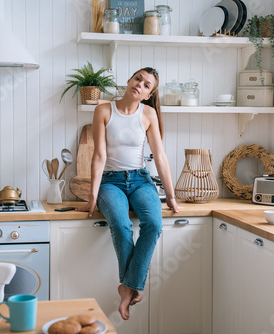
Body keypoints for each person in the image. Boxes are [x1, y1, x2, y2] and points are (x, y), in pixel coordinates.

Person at [77, 67, 180, 320]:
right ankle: (131, 287)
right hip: (110, 182)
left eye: (147, 85)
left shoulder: (148, 113)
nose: (140, 85)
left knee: (154, 224)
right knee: (122, 225)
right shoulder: (103, 110)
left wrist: (171, 196)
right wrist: (92, 197)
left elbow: (160, 156)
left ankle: (127, 286)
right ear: (129, 80)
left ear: (148, 95)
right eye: (138, 79)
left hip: (140, 180)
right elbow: (99, 156)